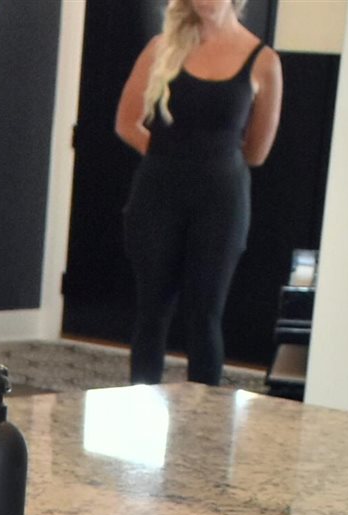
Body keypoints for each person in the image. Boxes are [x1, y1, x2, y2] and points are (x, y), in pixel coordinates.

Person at [115, 0, 283, 387]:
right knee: (152, 311)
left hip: (221, 203)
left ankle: (209, 424)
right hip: (158, 195)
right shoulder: (161, 48)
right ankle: (141, 413)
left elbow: (256, 152)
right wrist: (169, 156)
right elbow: (127, 122)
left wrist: (210, 162)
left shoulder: (263, 61)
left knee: (206, 314)